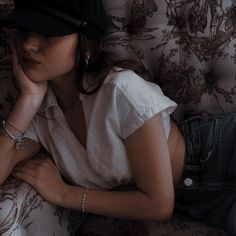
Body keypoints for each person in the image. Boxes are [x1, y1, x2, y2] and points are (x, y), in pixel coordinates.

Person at [0, 0, 235, 235]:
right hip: (198, 201)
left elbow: (159, 205)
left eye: (48, 34)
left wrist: (64, 194)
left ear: (88, 45)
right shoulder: (40, 113)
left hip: (221, 152)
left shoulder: (120, 90)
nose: (29, 45)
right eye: (24, 31)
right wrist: (27, 101)